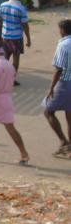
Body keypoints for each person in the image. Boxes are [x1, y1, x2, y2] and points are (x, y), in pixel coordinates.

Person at [44, 19, 71, 158]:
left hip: (66, 82)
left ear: (63, 30)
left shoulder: (64, 44)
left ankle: (63, 142)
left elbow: (58, 68)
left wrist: (51, 88)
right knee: (69, 115)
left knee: (48, 111)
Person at [0, 0, 31, 80]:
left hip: (5, 36)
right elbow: (25, 25)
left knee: (5, 58)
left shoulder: (3, 5)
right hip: (16, 38)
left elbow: (0, 21)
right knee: (15, 60)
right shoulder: (21, 8)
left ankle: (3, 78)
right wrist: (28, 39)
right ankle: (11, 79)